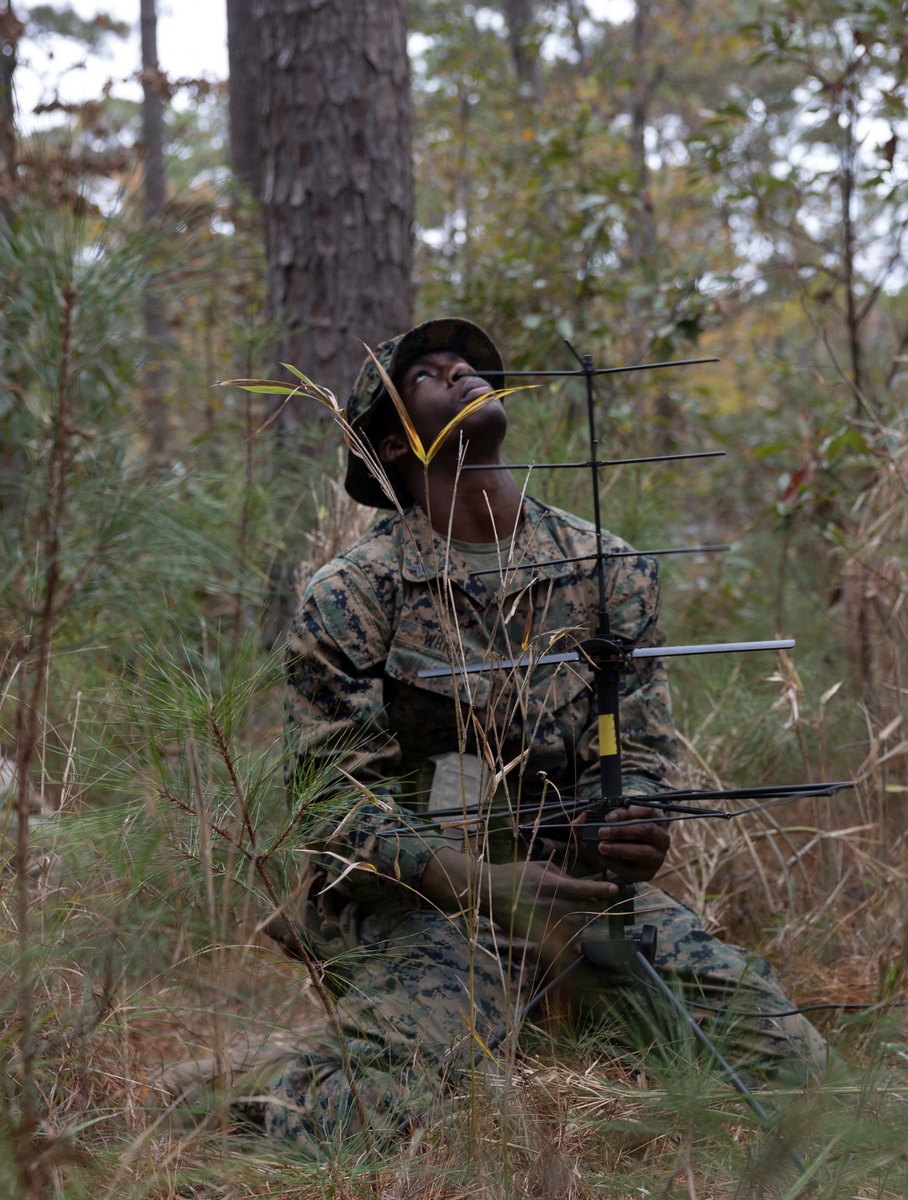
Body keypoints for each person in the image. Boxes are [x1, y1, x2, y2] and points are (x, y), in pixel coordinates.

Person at [261, 318, 828, 1149]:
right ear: (392, 440)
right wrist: (482, 885)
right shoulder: (352, 593)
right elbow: (334, 807)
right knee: (332, 1128)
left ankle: (552, 1017)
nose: (460, 372)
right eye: (428, 375)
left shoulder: (610, 568)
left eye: (469, 366)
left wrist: (635, 820)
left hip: (580, 890)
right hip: (425, 906)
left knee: (794, 1067)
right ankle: (257, 1082)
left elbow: (637, 750)